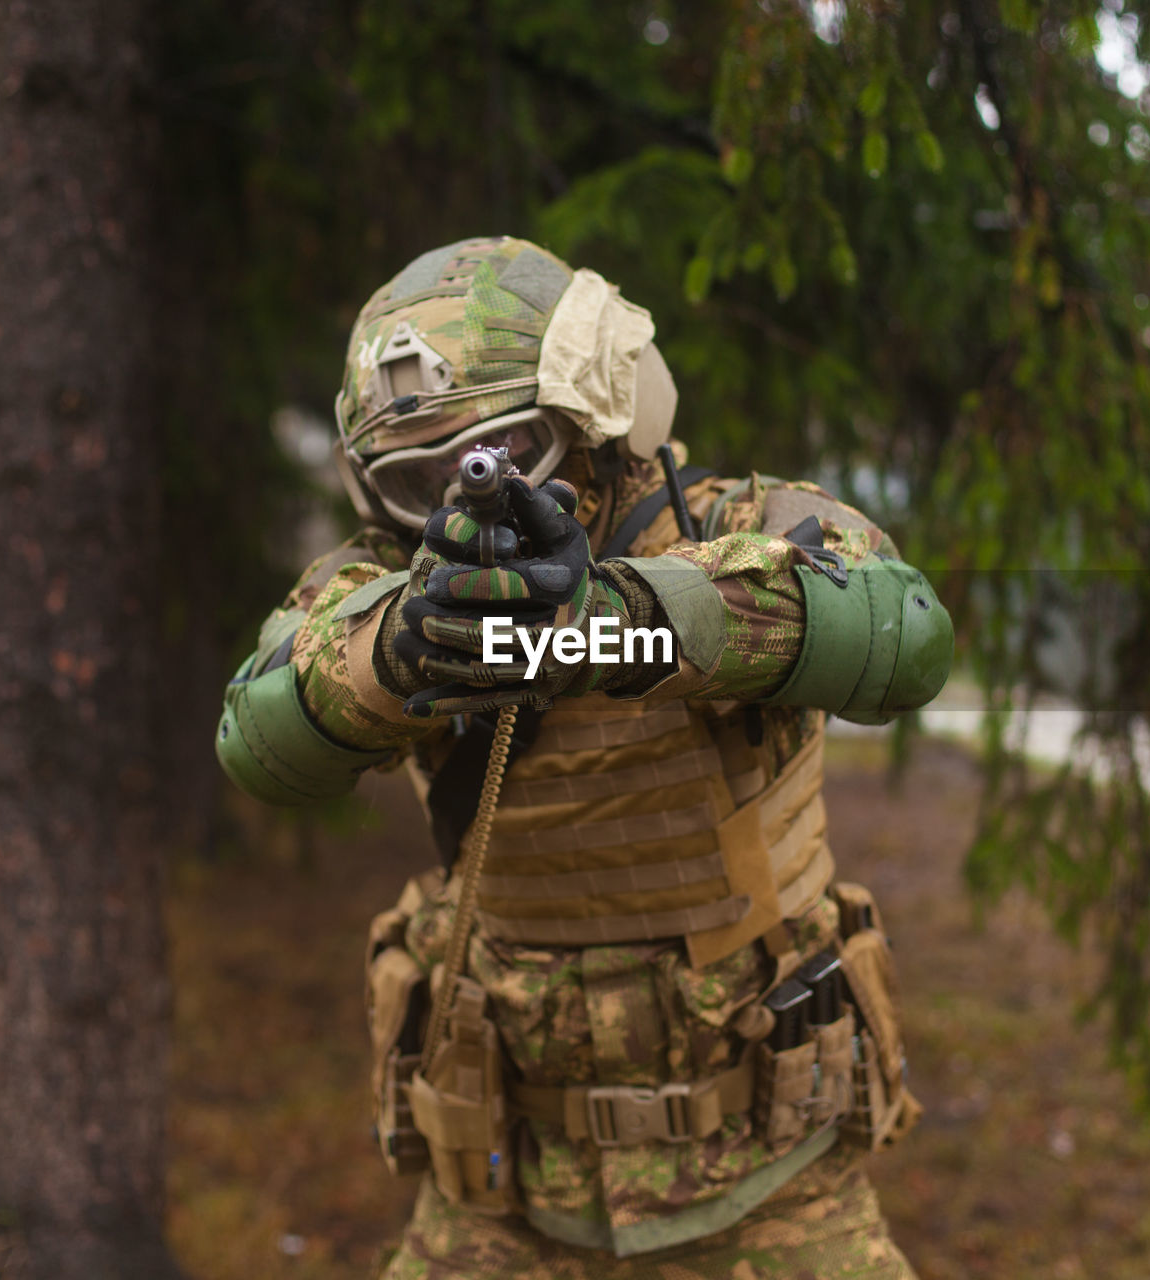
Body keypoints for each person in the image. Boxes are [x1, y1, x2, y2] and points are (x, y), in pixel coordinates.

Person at [215, 235, 953, 1280]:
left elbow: (902, 630)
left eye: (504, 451)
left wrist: (607, 620)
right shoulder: (392, 587)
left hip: (774, 1187)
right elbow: (258, 738)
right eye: (415, 477)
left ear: (594, 408)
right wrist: (398, 649)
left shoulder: (739, 522)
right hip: (500, 1194)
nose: (460, 496)